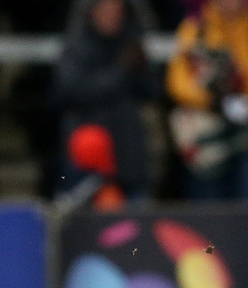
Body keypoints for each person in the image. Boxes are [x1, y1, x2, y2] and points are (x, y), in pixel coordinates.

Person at [49, 0, 163, 203]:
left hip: (130, 158)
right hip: (86, 165)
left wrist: (142, 66)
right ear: (91, 12)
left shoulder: (131, 44)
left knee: (137, 220)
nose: (111, 16)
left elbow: (152, 92)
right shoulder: (76, 48)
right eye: (105, 10)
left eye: (117, 10)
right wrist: (121, 71)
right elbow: (70, 93)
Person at [165, 0, 248, 199]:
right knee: (207, 201)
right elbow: (177, 82)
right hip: (208, 132)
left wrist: (242, 100)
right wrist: (212, 101)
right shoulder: (196, 27)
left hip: (244, 130)